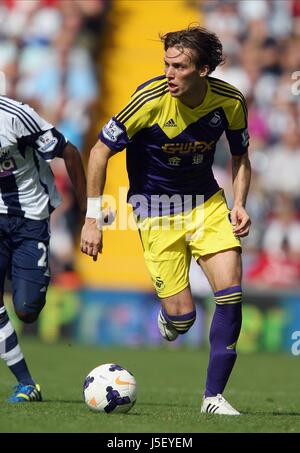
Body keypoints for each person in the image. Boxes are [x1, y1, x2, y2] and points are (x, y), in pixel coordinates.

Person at [80, 26, 251, 415]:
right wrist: (93, 218)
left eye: (179, 66)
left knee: (231, 293)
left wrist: (239, 202)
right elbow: (98, 152)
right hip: (155, 213)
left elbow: (240, 155)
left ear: (204, 70)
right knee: (184, 319)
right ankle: (173, 319)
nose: (169, 73)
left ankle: (213, 397)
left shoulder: (230, 101)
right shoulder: (148, 100)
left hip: (206, 204)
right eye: (166, 64)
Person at [0, 95, 86, 402]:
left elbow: (70, 152)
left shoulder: (15, 116)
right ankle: (26, 383)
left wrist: (88, 213)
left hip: (30, 217)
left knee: (26, 310)